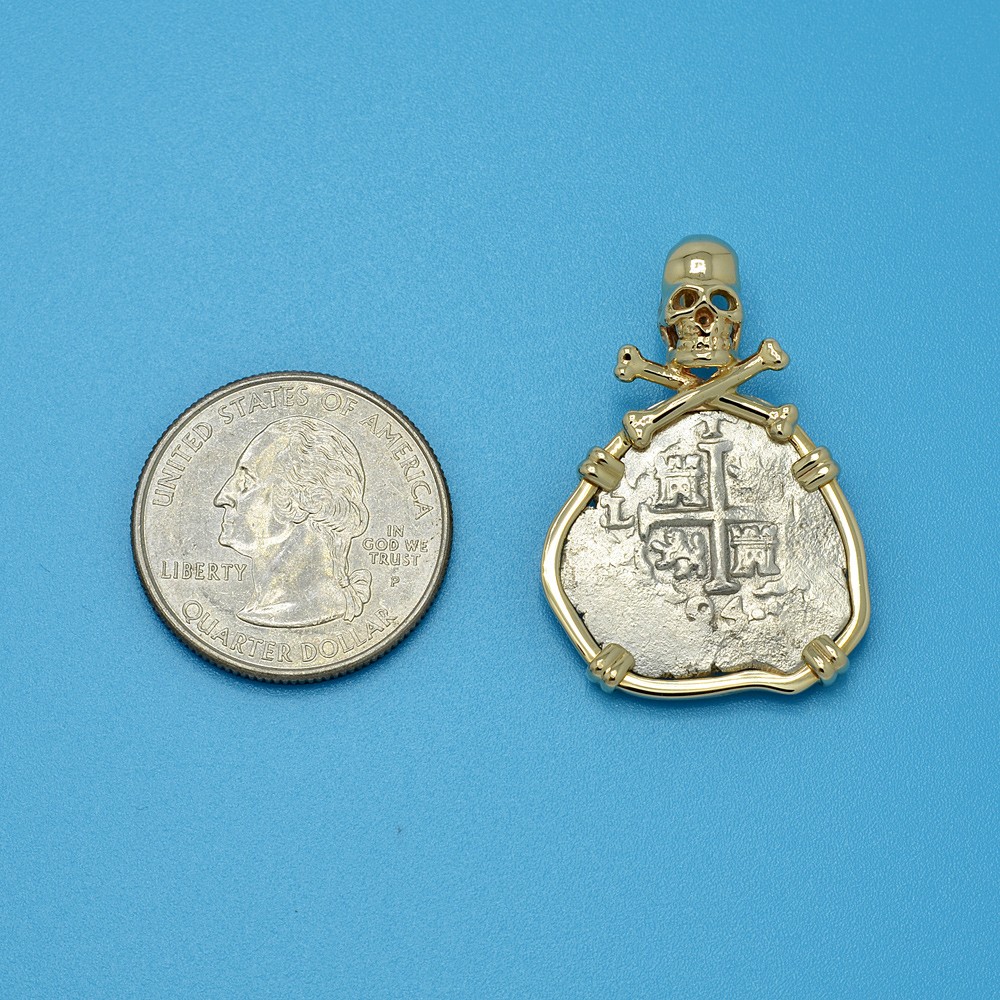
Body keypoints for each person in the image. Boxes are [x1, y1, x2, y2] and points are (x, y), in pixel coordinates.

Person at [214, 416, 372, 627]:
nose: (221, 498)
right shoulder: (263, 608)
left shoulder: (304, 609)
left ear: (303, 498)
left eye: (246, 482)